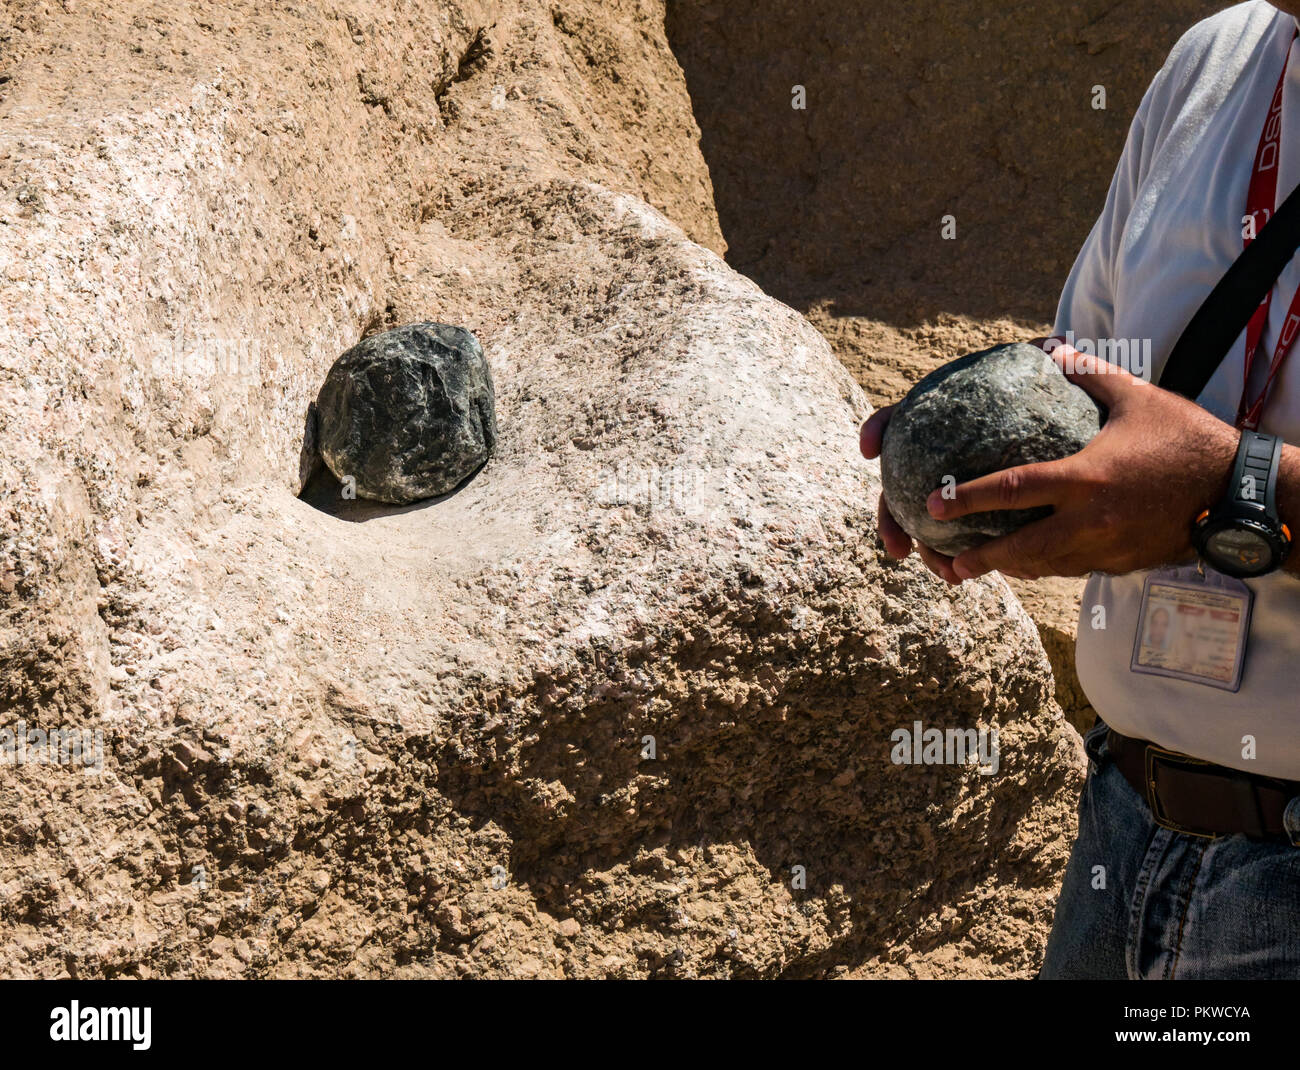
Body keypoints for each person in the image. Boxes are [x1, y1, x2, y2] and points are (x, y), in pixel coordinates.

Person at [860, 0, 1300, 978]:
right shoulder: (1217, 58)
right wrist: (984, 442)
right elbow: (1093, 373)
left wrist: (1233, 488)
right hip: (1123, 823)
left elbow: (1199, 472)